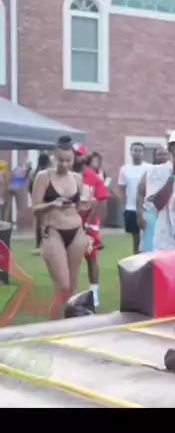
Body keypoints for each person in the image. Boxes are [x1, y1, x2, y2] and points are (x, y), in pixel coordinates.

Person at [31, 136, 87, 319]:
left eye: (68, 160)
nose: (64, 164)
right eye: (60, 160)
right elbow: (35, 209)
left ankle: (70, 326)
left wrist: (84, 206)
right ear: (54, 157)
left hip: (76, 230)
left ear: (73, 158)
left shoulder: (77, 178)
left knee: (72, 287)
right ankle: (54, 327)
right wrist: (52, 205)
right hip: (53, 229)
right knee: (62, 285)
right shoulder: (44, 176)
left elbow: (78, 207)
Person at [73, 143, 110, 307]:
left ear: (83, 156)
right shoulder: (67, 175)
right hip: (70, 222)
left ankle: (94, 294)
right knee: (71, 259)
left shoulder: (92, 177)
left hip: (89, 224)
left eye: (78, 154)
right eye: (73, 154)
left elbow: (100, 200)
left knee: (90, 257)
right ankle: (71, 293)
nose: (76, 158)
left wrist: (88, 222)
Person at [118, 142, 152, 254]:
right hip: (131, 208)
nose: (137, 153)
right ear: (131, 152)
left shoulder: (149, 168)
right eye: (135, 150)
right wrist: (123, 208)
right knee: (136, 239)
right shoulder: (125, 169)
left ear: (143, 153)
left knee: (147, 238)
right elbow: (122, 190)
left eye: (140, 150)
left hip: (146, 208)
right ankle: (136, 260)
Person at [136, 146, 169, 252]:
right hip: (150, 214)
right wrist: (140, 214)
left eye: (165, 154)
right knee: (148, 246)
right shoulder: (149, 172)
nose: (162, 157)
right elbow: (140, 193)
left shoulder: (173, 171)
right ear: (155, 157)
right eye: (159, 154)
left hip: (167, 215)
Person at [29, 152, 51, 253]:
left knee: (38, 223)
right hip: (46, 201)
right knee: (45, 223)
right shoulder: (47, 173)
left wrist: (33, 196)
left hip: (36, 201)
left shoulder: (34, 173)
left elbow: (30, 186)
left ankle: (38, 244)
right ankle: (45, 244)